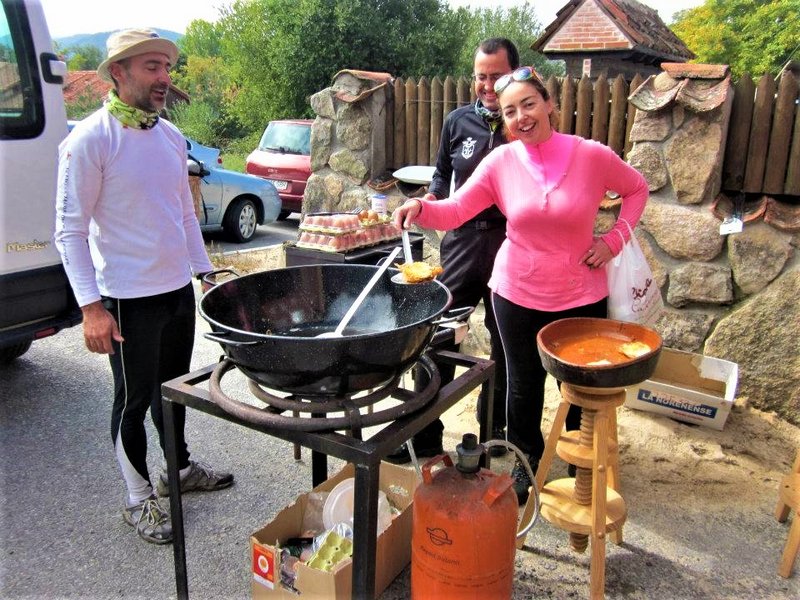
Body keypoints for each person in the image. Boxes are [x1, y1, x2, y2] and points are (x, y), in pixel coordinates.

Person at [392, 66, 649, 502]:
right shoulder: (501, 162)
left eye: (529, 104)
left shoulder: (590, 154)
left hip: (582, 294)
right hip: (516, 293)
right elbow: (456, 211)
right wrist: (419, 206)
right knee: (522, 385)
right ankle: (527, 464)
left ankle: (578, 468)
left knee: (581, 390)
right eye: (510, 111)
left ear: (549, 104)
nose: (521, 116)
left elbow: (637, 189)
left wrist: (613, 241)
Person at [55, 29, 233, 545]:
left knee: (171, 393)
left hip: (176, 290)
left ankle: (177, 472)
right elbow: (68, 230)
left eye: (167, 67)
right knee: (131, 403)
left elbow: (181, 212)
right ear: (119, 72)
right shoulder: (90, 139)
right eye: (151, 67)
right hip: (125, 299)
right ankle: (137, 499)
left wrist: (203, 274)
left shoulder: (171, 139)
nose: (164, 77)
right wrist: (91, 307)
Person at [386, 38, 519, 465]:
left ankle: (493, 436)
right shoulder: (458, 121)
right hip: (461, 241)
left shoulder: (523, 123)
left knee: (505, 345)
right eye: (481, 76)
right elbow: (442, 176)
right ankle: (425, 437)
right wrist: (428, 202)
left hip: (508, 246)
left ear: (514, 74)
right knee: (437, 334)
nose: (486, 84)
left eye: (496, 76)